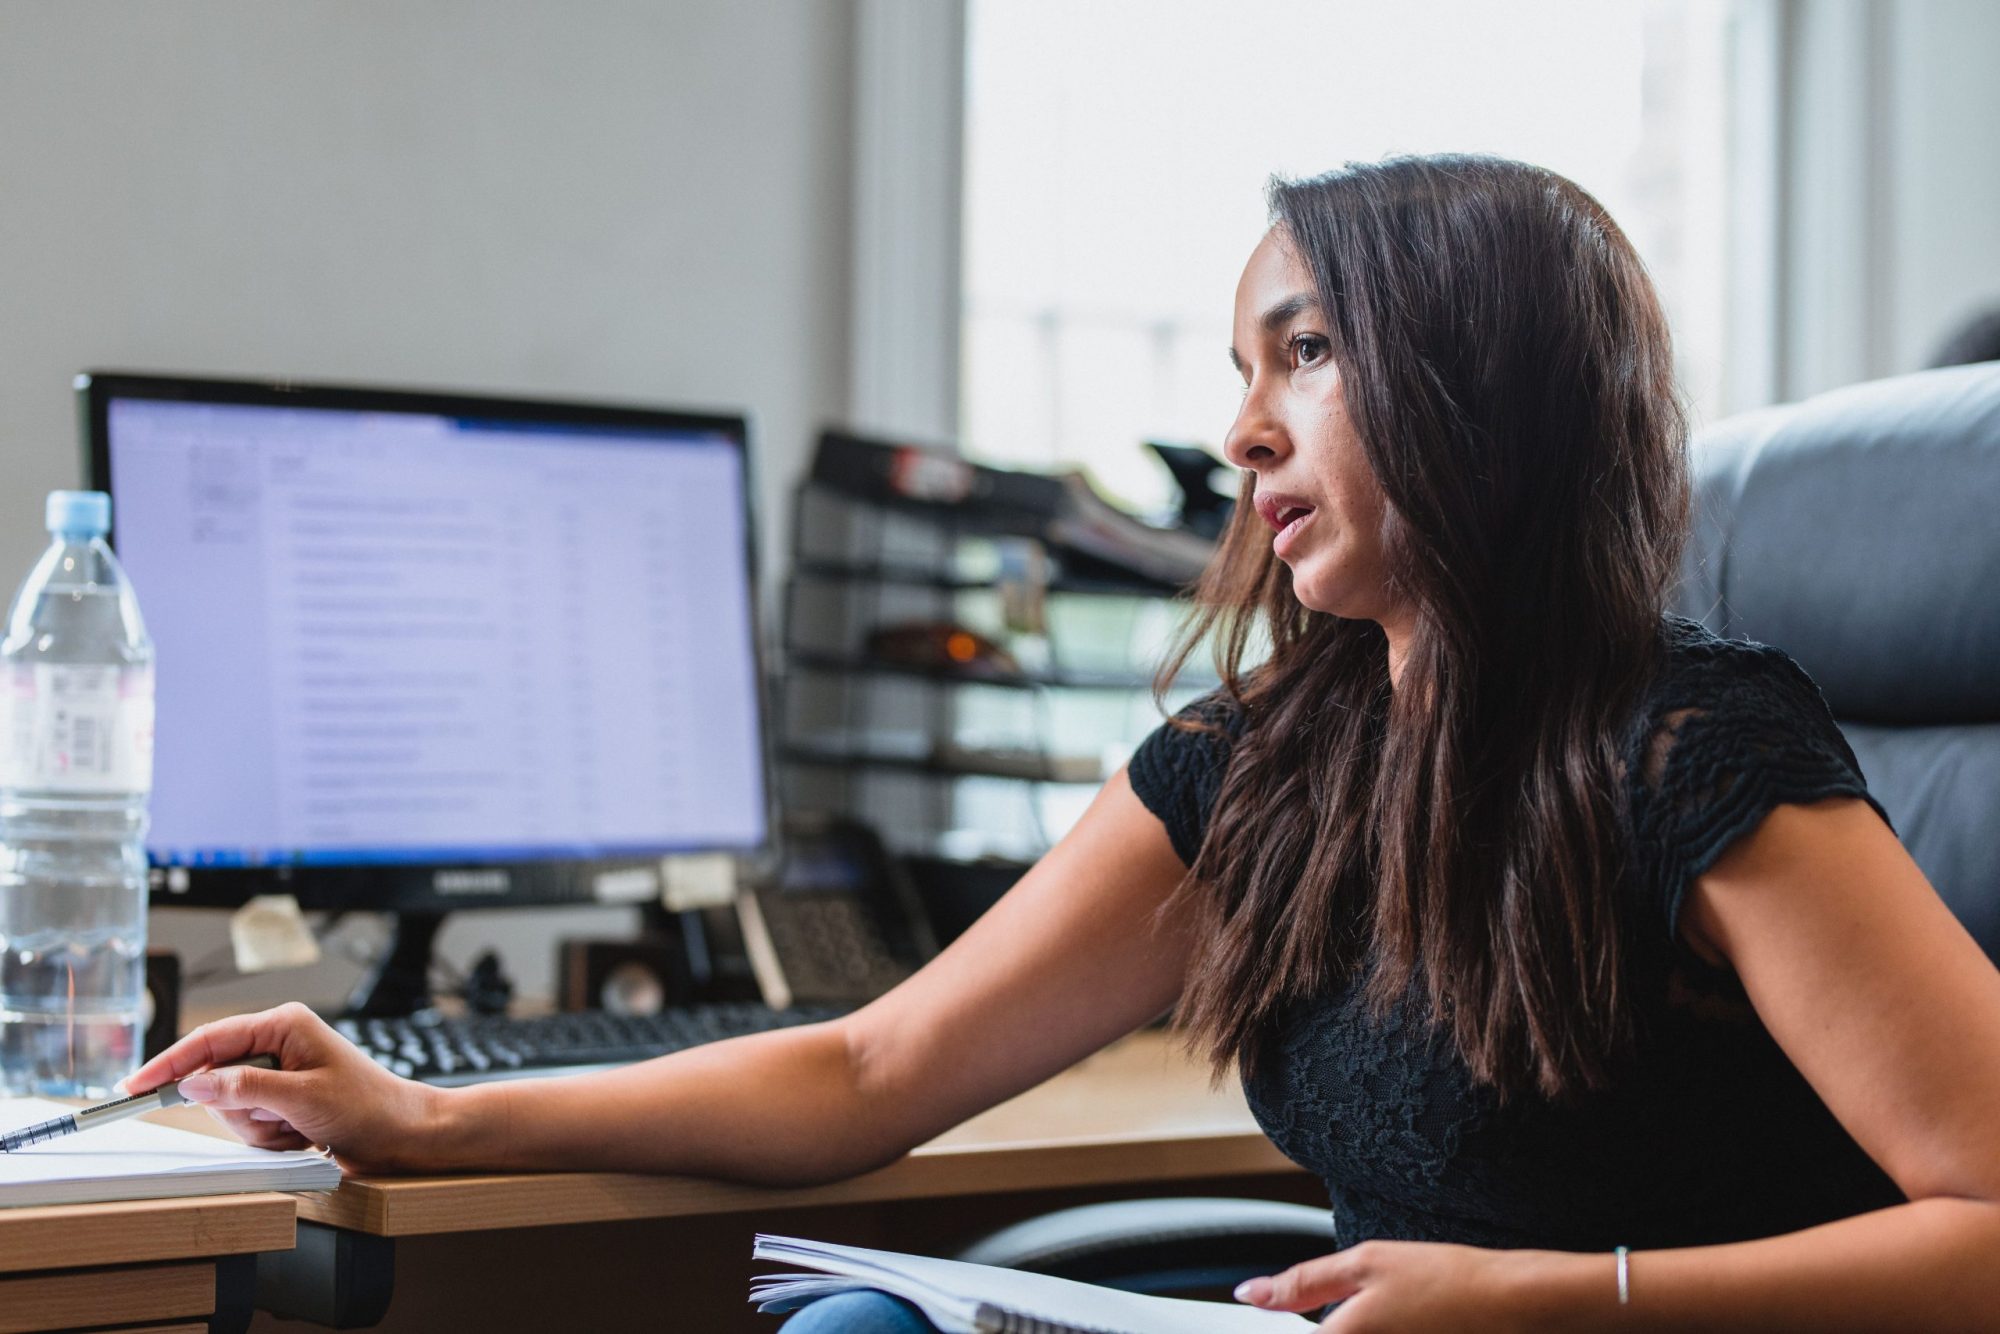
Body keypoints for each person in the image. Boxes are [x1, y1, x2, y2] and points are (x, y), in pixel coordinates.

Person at [126, 156, 2000, 1332]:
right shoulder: (1258, 766)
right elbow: (872, 1066)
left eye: (1309, 353)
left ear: (1478, 383)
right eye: (1242, 375)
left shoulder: (1696, 755)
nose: (1248, 432)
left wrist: (1566, 1302)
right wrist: (424, 1108)